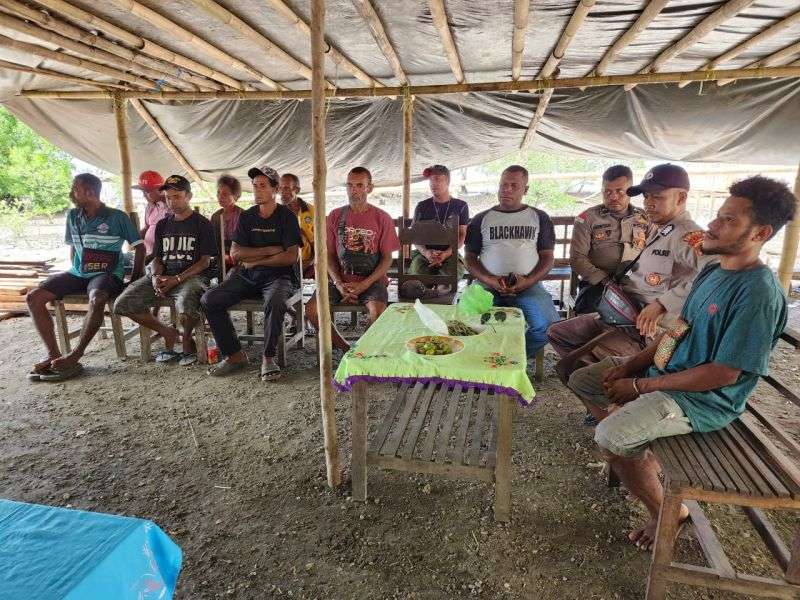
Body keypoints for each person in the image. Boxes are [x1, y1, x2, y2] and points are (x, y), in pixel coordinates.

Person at [567, 175, 795, 551]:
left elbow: (723, 373)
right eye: (718, 215)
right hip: (668, 371)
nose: (713, 225)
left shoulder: (757, 293)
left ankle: (668, 513)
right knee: (585, 380)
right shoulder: (714, 270)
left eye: (728, 220)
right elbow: (676, 329)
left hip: (703, 400)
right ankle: (637, 452)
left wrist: (640, 386)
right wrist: (633, 365)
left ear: (760, 233)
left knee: (609, 435)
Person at [548, 164, 713, 382]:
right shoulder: (662, 229)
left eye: (657, 196)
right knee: (559, 335)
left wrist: (663, 303)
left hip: (648, 329)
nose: (649, 203)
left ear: (681, 198)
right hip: (624, 310)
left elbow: (718, 272)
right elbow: (578, 259)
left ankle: (622, 385)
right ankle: (607, 383)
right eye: (646, 196)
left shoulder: (687, 234)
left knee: (577, 371)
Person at [26, 173, 144, 381]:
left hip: (107, 273)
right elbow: (73, 247)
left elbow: (140, 248)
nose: (72, 192)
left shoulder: (117, 217)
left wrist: (133, 281)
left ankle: (75, 355)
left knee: (97, 298)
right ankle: (53, 355)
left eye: (76, 188)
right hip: (78, 273)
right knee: (34, 297)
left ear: (89, 192)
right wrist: (73, 271)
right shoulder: (73, 216)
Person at [201, 166, 302, 381]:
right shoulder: (247, 216)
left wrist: (256, 260)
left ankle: (268, 357)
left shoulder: (287, 217)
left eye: (263, 186)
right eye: (255, 186)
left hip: (279, 276)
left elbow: (291, 256)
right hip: (248, 274)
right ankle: (234, 355)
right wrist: (271, 250)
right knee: (210, 299)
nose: (257, 190)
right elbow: (236, 253)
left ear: (275, 189)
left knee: (275, 301)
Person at [114, 175, 217, 366]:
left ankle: (186, 339)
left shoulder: (202, 224)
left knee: (186, 304)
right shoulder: (163, 224)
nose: (172, 202)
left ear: (188, 196)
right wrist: (155, 276)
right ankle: (167, 332)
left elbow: (205, 262)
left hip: (192, 276)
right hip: (165, 276)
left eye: (177, 196)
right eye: (168, 197)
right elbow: (157, 258)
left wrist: (176, 279)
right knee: (122, 304)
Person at [464, 165, 558, 359]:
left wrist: (528, 280)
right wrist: (489, 279)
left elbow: (548, 257)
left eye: (514, 186)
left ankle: (510, 359)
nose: (506, 190)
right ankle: (480, 358)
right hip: (487, 284)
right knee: (465, 320)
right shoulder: (482, 219)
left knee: (548, 326)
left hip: (527, 284)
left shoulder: (539, 218)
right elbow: (470, 257)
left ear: (526, 189)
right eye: (503, 185)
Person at [305, 167, 400, 352]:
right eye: (350, 185)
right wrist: (338, 282)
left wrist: (364, 284)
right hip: (339, 280)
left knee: (377, 313)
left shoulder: (382, 218)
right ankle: (346, 349)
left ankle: (363, 350)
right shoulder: (335, 216)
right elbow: (328, 255)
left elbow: (387, 259)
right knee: (312, 310)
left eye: (359, 185)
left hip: (372, 281)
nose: (353, 190)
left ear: (369, 188)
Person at [570, 164, 650, 310]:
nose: (613, 197)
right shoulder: (587, 218)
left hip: (637, 283)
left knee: (652, 312)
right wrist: (606, 281)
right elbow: (577, 258)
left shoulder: (645, 218)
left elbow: (654, 253)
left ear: (630, 192)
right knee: (598, 313)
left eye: (620, 191)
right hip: (598, 284)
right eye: (607, 192)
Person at [407, 164, 469, 289]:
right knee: (419, 280)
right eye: (431, 180)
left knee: (447, 280)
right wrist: (426, 252)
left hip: (450, 253)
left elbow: (462, 235)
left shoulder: (461, 206)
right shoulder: (422, 206)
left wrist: (446, 254)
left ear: (447, 182)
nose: (433, 184)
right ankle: (425, 295)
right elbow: (414, 235)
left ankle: (441, 295)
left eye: (438, 180)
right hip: (424, 254)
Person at [279, 173, 315, 279]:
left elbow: (319, 244)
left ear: (297, 190)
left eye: (286, 188)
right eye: (280, 188)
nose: (282, 193)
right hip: (283, 264)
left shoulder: (312, 211)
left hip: (308, 263)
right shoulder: (276, 212)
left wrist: (309, 262)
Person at [210, 174, 244, 274]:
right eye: (218, 193)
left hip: (240, 259)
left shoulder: (243, 216)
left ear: (235, 196)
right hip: (221, 261)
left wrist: (233, 255)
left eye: (225, 194)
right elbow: (213, 242)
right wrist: (220, 256)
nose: (220, 197)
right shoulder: (216, 216)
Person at [133, 170, 169, 260]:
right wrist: (134, 239)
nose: (144, 195)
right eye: (143, 192)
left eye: (146, 192)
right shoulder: (149, 207)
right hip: (147, 252)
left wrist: (151, 257)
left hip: (162, 256)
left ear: (160, 190)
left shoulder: (171, 206)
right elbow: (147, 227)